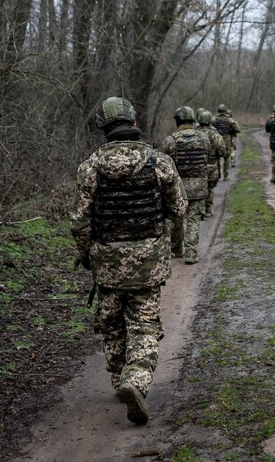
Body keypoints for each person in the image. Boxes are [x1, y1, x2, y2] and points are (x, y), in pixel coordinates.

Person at [71, 96, 187, 425]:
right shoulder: (160, 162)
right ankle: (135, 380)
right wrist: (173, 244)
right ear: (134, 122)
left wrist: (86, 256)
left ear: (103, 128)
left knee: (111, 322)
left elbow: (79, 223)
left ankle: (119, 377)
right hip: (148, 263)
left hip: (107, 263)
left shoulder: (90, 167)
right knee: (144, 325)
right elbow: (179, 209)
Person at [162, 106, 213, 263]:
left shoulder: (170, 140)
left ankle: (176, 249)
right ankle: (190, 252)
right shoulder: (204, 138)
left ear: (178, 120)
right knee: (193, 220)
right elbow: (208, 158)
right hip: (198, 187)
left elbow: (165, 165)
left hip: (177, 188)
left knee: (176, 219)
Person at [196, 108, 228, 215]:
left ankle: (200, 210)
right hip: (212, 164)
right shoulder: (215, 134)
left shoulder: (195, 132)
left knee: (199, 187)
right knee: (210, 188)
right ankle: (208, 210)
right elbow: (222, 151)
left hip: (197, 165)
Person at [212, 104, 240, 171]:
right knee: (226, 157)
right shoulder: (229, 119)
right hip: (226, 140)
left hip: (216, 139)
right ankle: (225, 174)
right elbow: (238, 129)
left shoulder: (213, 119)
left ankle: (218, 173)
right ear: (225, 110)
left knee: (217, 157)